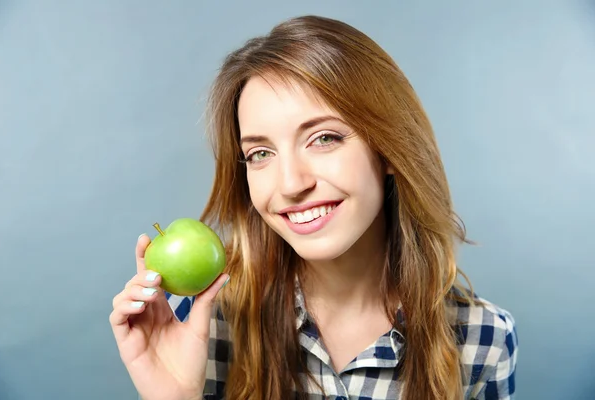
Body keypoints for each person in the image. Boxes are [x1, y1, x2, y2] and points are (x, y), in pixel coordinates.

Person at [109, 15, 518, 400]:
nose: (290, 184)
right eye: (260, 152)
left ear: (389, 149)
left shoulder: (482, 340)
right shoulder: (210, 322)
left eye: (323, 138)